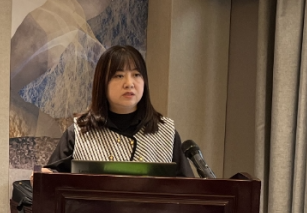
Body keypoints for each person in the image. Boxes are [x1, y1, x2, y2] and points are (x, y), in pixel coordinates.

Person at [42, 45, 194, 177]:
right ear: (102, 83)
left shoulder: (166, 133)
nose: (129, 83)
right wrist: (44, 176)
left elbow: (187, 190)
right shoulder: (79, 132)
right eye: (119, 76)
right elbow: (51, 181)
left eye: (136, 75)